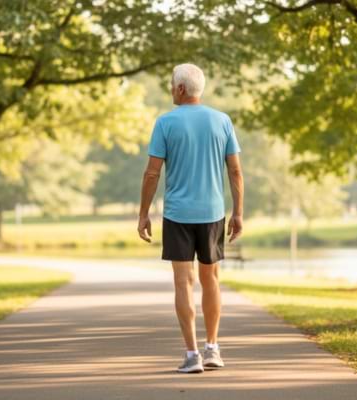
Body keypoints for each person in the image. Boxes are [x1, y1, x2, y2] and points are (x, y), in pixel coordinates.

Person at [137, 63, 244, 373]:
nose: (171, 90)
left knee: (183, 282)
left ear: (181, 89)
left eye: (172, 85)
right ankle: (213, 348)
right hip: (212, 213)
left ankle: (192, 355)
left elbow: (152, 172)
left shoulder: (165, 123)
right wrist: (237, 213)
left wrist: (144, 214)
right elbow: (235, 170)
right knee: (210, 280)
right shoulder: (222, 121)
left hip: (178, 215)